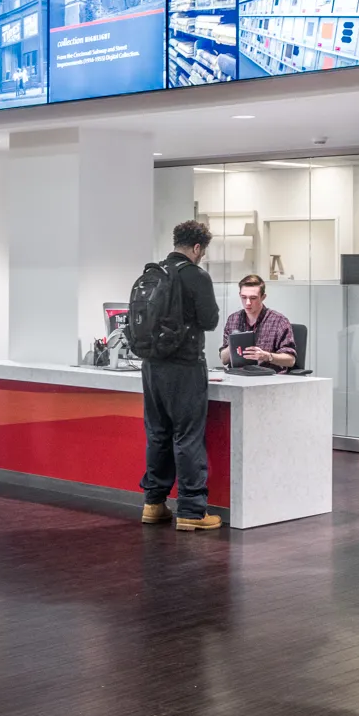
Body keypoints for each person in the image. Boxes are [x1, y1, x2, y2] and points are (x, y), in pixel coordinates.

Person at [140, 220, 222, 531]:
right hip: (185, 367)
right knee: (187, 436)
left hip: (151, 366)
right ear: (197, 247)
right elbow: (210, 319)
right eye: (203, 251)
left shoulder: (154, 273)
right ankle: (191, 510)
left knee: (158, 433)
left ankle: (154, 504)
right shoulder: (196, 276)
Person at [220, 274, 296, 371]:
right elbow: (224, 360)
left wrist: (267, 356)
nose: (247, 303)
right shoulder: (233, 319)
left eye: (253, 298)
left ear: (263, 297)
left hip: (268, 378)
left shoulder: (279, 321)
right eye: (243, 297)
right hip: (238, 376)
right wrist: (234, 343)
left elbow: (291, 360)